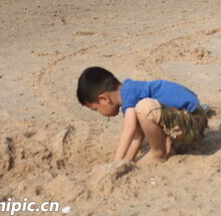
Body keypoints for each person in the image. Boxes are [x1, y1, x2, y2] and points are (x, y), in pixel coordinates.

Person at [77, 67, 208, 164]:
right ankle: (168, 148)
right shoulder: (130, 94)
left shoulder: (129, 93)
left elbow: (129, 130)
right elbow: (137, 136)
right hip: (188, 121)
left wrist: (113, 164)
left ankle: (158, 154)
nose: (99, 113)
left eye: (96, 109)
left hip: (196, 123)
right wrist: (126, 162)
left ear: (104, 99)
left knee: (145, 107)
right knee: (145, 111)